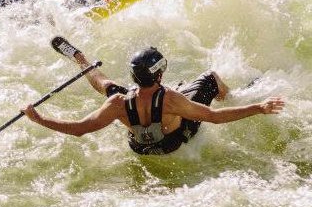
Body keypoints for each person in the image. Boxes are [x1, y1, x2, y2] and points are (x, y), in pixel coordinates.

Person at [22, 37, 284, 155]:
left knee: (106, 84)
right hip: (172, 144)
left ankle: (80, 59)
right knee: (211, 78)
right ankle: (235, 95)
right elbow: (213, 117)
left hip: (140, 149)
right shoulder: (171, 98)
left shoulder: (118, 104)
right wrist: (257, 107)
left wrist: (38, 118)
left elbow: (80, 129)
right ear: (159, 75)